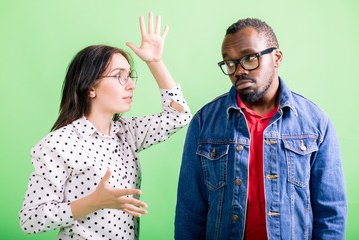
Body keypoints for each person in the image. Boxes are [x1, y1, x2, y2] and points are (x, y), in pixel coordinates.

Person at [19, 12, 191, 240]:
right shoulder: (58, 144)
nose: (131, 85)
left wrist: (155, 62)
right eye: (119, 76)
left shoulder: (127, 133)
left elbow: (178, 116)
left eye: (130, 76)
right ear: (90, 88)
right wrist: (92, 202)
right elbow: (30, 219)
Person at [175, 18, 347, 240]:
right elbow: (190, 212)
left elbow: (331, 213)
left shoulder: (315, 122)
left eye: (249, 58)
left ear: (276, 57)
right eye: (230, 63)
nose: (238, 71)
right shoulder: (204, 122)